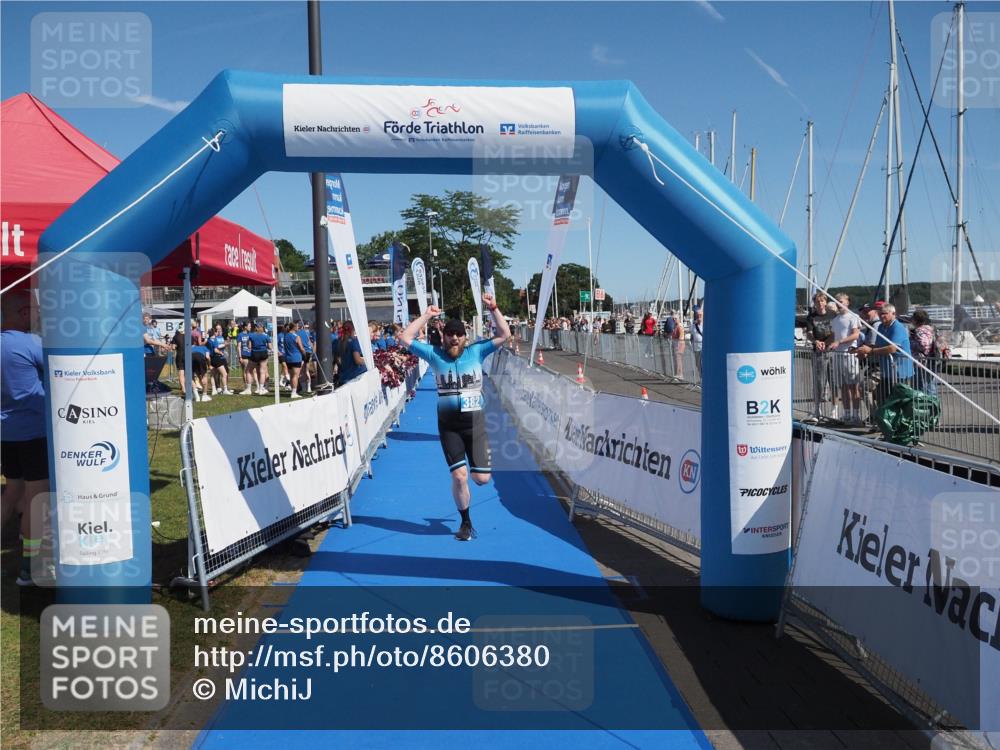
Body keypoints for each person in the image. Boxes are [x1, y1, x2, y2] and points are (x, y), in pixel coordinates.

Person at [399, 293, 511, 542]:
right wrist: (427, 315)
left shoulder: (477, 352)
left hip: (476, 425)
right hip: (449, 427)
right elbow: (405, 337)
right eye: (450, 333)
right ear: (443, 335)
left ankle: (478, 467)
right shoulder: (434, 354)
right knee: (460, 476)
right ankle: (466, 523)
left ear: (465, 337)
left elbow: (505, 335)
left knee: (481, 479)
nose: (454, 337)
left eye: (459, 334)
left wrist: (493, 307)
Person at [1, 289, 49, 585]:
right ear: (21, 313)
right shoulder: (30, 343)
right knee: (35, 498)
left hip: (6, 434)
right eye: (33, 311)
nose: (37, 316)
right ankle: (30, 568)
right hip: (34, 432)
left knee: (12, 493)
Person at [857, 303, 914, 408]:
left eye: (885, 314)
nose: (882, 316)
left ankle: (897, 421)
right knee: (881, 397)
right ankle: (878, 417)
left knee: (900, 399)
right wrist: (862, 350)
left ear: (893, 314)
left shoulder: (898, 327)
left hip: (900, 371)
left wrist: (871, 351)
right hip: (887, 371)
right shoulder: (881, 327)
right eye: (880, 314)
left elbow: (892, 348)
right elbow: (878, 345)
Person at [829, 294, 862, 424]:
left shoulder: (853, 317)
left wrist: (840, 341)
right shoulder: (835, 319)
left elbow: (855, 334)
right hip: (837, 355)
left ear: (847, 302)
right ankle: (847, 414)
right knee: (843, 386)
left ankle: (856, 415)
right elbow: (833, 336)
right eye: (837, 301)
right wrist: (823, 343)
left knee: (854, 386)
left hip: (850, 354)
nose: (838, 304)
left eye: (841, 301)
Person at [806, 292, 836, 420]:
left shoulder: (833, 315)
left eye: (822, 301)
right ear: (815, 303)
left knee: (834, 381)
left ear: (826, 302)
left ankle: (835, 410)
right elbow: (809, 333)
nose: (820, 303)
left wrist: (827, 343)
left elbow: (836, 332)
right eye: (817, 301)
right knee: (819, 381)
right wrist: (815, 341)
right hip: (818, 352)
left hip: (832, 351)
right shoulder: (811, 317)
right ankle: (816, 408)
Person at [909, 308, 947, 396]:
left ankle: (927, 406)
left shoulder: (920, 330)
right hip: (933, 360)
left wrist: (911, 343)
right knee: (930, 383)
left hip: (923, 362)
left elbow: (924, 345)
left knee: (923, 385)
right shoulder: (932, 329)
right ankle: (933, 406)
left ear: (915, 320)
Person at [335, 321, 366, 386]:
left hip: (343, 377)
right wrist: (368, 361)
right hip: (353, 378)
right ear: (353, 330)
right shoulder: (354, 342)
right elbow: (357, 360)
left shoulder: (339, 342)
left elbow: (338, 360)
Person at [282, 322, 306, 399]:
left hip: (288, 358)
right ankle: (294, 392)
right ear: (294, 328)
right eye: (297, 327)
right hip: (296, 358)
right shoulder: (296, 336)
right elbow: (301, 348)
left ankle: (293, 391)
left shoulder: (285, 336)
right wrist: (304, 353)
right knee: (295, 376)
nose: (298, 328)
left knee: (292, 376)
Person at [207, 324, 232, 395]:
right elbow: (215, 349)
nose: (218, 331)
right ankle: (224, 389)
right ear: (214, 332)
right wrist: (220, 353)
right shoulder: (214, 339)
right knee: (224, 374)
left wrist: (226, 343)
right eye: (216, 330)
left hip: (212, 358)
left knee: (212, 374)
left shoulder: (209, 340)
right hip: (217, 358)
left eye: (220, 329)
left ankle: (214, 390)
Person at [248, 322, 271, 395]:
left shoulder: (251, 336)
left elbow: (249, 346)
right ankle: (261, 389)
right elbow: (270, 347)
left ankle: (249, 388)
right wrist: (265, 346)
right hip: (263, 353)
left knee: (249, 371)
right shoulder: (266, 336)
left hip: (255, 353)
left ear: (256, 328)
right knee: (262, 371)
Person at [236, 322, 256, 395]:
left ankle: (250, 388)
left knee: (251, 371)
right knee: (245, 371)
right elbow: (238, 346)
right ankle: (247, 387)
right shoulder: (240, 335)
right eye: (249, 326)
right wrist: (240, 357)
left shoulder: (251, 334)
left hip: (251, 355)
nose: (250, 327)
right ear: (245, 327)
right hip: (244, 355)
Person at [296, 321, 313, 395]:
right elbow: (311, 342)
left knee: (301, 371)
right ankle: (309, 387)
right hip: (308, 352)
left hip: (302, 352)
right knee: (306, 371)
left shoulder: (298, 333)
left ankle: (303, 388)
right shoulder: (308, 332)